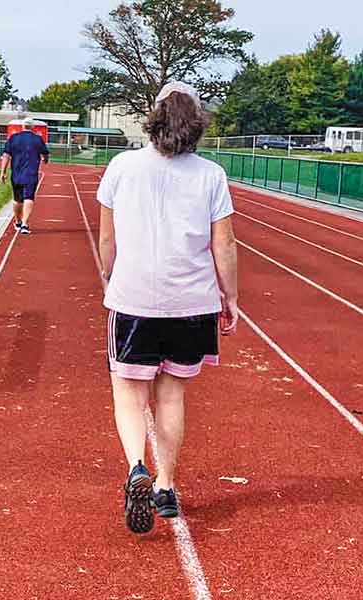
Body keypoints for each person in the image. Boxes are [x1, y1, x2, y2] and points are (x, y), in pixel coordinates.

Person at [97, 81, 239, 535]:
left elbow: (107, 238)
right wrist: (229, 296)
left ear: (154, 118)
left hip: (134, 296)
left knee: (129, 392)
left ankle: (137, 464)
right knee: (172, 394)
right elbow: (225, 242)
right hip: (191, 301)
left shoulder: (121, 167)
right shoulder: (211, 175)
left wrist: (108, 275)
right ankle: (166, 485)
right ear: (195, 122)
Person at [0, 117, 49, 235]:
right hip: (31, 173)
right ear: (32, 127)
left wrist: (2, 172)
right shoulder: (38, 139)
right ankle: (24, 224)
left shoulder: (13, 138)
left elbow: (6, 156)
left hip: (16, 173)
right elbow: (45, 154)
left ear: (23, 126)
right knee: (29, 197)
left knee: (17, 199)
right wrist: (45, 160)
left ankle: (18, 221)